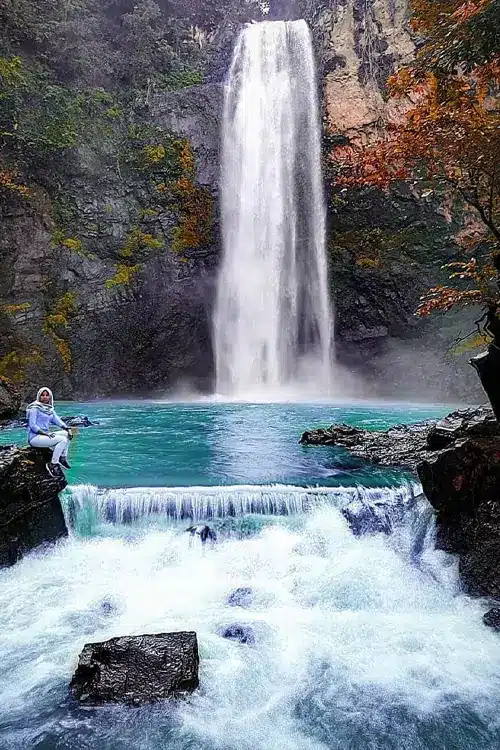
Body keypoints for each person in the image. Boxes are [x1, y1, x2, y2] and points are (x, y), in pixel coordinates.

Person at [27, 387, 73, 477]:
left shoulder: (49, 409)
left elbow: (58, 421)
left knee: (66, 434)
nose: (44, 397)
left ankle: (62, 457)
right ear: (39, 396)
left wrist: (68, 428)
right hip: (35, 437)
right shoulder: (34, 408)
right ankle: (53, 463)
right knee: (62, 440)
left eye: (47, 395)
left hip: (45, 435)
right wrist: (45, 433)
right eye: (42, 395)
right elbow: (32, 425)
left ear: (50, 397)